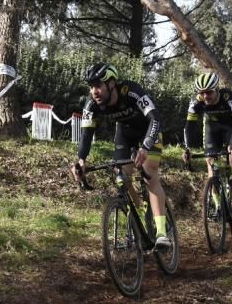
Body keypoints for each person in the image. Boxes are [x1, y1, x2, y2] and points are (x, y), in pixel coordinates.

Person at [70, 62, 172, 250]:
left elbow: (155, 118)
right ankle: (140, 211)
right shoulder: (91, 104)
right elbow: (86, 135)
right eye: (91, 87)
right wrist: (81, 160)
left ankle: (161, 233)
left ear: (111, 84)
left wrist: (145, 147)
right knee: (122, 177)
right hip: (125, 133)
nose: (94, 91)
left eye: (98, 85)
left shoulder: (131, 91)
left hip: (149, 131)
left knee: (150, 173)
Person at [181, 72, 232, 218]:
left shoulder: (229, 96)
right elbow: (189, 126)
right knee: (210, 162)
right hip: (212, 127)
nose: (205, 96)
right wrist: (187, 148)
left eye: (209, 92)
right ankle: (218, 205)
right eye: (202, 93)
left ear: (217, 89)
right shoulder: (196, 101)